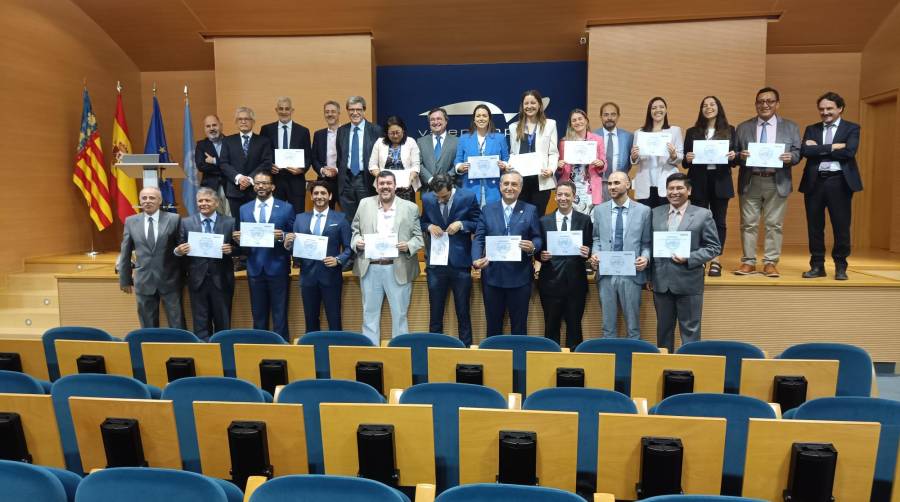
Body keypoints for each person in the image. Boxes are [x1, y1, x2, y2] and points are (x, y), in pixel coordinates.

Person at [734, 87, 802, 277]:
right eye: (761, 101)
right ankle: (748, 262)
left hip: (777, 180)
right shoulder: (743, 127)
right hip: (750, 180)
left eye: (769, 101)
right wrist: (741, 155)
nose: (765, 105)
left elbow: (798, 152)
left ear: (777, 104)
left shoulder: (790, 126)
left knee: (774, 224)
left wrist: (791, 157)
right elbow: (735, 154)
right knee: (748, 223)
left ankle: (770, 262)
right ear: (756, 104)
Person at [351, 171, 424, 345]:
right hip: (370, 267)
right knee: (369, 314)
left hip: (397, 267)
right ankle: (371, 357)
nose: (385, 186)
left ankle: (399, 355)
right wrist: (357, 242)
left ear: (395, 186)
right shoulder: (364, 204)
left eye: (389, 183)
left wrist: (409, 246)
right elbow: (355, 231)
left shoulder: (410, 207)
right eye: (381, 183)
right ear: (376, 186)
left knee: (400, 315)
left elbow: (419, 238)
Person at [650, 173, 721, 352]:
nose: (674, 192)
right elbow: (648, 244)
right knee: (663, 331)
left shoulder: (703, 214)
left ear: (688, 190)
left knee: (690, 331)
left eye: (679, 188)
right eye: (671, 188)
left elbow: (713, 247)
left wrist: (689, 258)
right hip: (661, 282)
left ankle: (688, 369)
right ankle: (663, 369)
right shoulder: (655, 213)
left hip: (689, 281)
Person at [800, 91, 862, 281]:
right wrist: (833, 147)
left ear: (840, 108)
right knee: (815, 227)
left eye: (829, 108)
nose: (825, 112)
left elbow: (849, 152)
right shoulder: (812, 129)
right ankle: (817, 266)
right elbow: (805, 151)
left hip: (840, 182)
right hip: (815, 182)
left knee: (841, 226)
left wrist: (818, 149)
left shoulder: (851, 128)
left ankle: (841, 266)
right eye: (821, 109)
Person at [472, 171, 542, 337]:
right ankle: (494, 362)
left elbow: (538, 237)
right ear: (500, 186)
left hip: (520, 278)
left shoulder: (530, 210)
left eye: (514, 184)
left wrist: (533, 247)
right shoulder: (487, 210)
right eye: (506, 184)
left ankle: (518, 362)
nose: (509, 187)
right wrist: (475, 259)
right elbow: (479, 238)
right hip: (492, 277)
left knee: (519, 328)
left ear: (521, 188)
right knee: (493, 327)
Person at [234, 171, 295, 341]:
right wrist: (239, 239)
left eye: (265, 183)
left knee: (280, 314)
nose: (261, 186)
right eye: (258, 183)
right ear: (254, 187)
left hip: (278, 267)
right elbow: (245, 238)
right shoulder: (244, 209)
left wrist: (282, 236)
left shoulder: (286, 207)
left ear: (273, 186)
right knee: (258, 314)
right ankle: (259, 347)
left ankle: (282, 349)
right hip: (254, 268)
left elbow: (293, 235)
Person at [420, 174, 480, 345]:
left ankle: (466, 349)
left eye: (445, 197)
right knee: (435, 313)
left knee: (463, 311)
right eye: (438, 197)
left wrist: (462, 225)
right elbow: (422, 222)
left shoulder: (468, 197)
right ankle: (434, 350)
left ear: (452, 187)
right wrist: (429, 226)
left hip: (460, 264)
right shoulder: (427, 198)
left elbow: (478, 222)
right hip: (436, 266)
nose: (441, 200)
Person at [590, 172, 651, 339]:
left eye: (616, 183)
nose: (612, 187)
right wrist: (595, 254)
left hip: (631, 274)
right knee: (607, 327)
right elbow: (596, 238)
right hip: (606, 274)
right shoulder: (599, 210)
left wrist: (645, 258)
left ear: (628, 185)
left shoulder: (644, 211)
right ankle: (608, 362)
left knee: (633, 327)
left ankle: (631, 362)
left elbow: (647, 243)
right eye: (609, 183)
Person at [285, 181, 351, 332]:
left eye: (323, 193)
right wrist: (288, 245)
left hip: (331, 276)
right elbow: (296, 250)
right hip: (307, 277)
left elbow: (349, 248)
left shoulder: (340, 218)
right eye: (316, 193)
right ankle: (312, 352)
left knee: (334, 319)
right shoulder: (300, 218)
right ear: (311, 196)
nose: (319, 196)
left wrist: (338, 259)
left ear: (330, 196)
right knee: (310, 319)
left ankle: (336, 351)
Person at [682, 96, 738, 277]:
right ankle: (699, 258)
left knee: (719, 221)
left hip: (721, 180)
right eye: (705, 105)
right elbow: (685, 161)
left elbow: (735, 157)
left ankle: (715, 259)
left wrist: (732, 155)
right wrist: (687, 158)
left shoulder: (729, 130)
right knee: (697, 221)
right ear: (701, 109)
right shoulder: (692, 132)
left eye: (712, 104)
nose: (708, 108)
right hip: (698, 180)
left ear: (718, 107)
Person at [173, 188, 236, 341]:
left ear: (216, 203)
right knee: (200, 323)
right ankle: (204, 356)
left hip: (222, 280)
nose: (203, 204)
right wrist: (178, 251)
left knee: (223, 323)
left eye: (207, 200)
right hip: (197, 280)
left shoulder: (229, 222)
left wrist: (232, 249)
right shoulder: (186, 223)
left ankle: (223, 354)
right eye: (200, 201)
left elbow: (241, 248)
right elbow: (178, 248)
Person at [117, 186, 185, 329]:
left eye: (152, 198)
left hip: (170, 280)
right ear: (140, 201)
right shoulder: (130, 221)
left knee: (177, 323)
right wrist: (125, 279)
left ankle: (180, 349)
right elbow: (125, 252)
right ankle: (149, 351)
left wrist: (185, 277)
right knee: (147, 326)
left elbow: (182, 249)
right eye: (144, 198)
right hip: (143, 280)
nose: (148, 201)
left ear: (160, 200)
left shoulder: (174, 219)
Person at [537, 181, 592, 349]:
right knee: (551, 327)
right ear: (555, 196)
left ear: (574, 197)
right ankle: (550, 365)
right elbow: (538, 248)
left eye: (567, 195)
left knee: (575, 328)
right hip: (550, 283)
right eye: (559, 194)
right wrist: (541, 256)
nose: (563, 198)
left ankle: (574, 369)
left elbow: (591, 246)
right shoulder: (543, 221)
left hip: (576, 283)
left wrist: (587, 252)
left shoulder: (585, 220)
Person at [508, 89, 559, 216]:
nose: (529, 106)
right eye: (526, 103)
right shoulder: (514, 127)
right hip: (520, 181)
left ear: (539, 105)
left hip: (541, 179)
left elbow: (553, 153)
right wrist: (509, 165)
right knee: (520, 218)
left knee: (538, 217)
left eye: (533, 103)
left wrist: (551, 169)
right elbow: (513, 153)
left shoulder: (550, 124)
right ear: (522, 106)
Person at [219, 106, 274, 218]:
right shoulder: (227, 141)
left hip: (257, 190)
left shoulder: (263, 141)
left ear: (253, 122)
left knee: (255, 223)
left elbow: (266, 163)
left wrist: (249, 179)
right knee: (238, 226)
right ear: (236, 122)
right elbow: (223, 163)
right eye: (240, 119)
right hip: (235, 191)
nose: (243, 121)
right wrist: (239, 178)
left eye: (247, 119)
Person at [260, 96, 312, 214]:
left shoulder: (303, 131)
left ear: (292, 111)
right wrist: (269, 166)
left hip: (296, 180)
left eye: (287, 109)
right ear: (276, 110)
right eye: (281, 109)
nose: (284, 112)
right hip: (274, 180)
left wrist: (301, 169)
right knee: (275, 214)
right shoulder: (266, 129)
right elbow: (262, 153)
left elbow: (308, 156)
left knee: (297, 214)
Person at [630, 97, 684, 208]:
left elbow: (680, 156)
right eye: (654, 108)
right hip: (645, 182)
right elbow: (635, 160)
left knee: (665, 219)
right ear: (650, 111)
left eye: (661, 107)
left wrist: (674, 155)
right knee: (646, 218)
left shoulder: (674, 131)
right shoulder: (639, 132)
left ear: (666, 110)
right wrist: (634, 157)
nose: (657, 110)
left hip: (667, 181)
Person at [454, 104, 510, 208]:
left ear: (489, 119)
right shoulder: (464, 138)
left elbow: (506, 158)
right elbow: (458, 159)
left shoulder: (500, 138)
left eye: (484, 116)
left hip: (494, 188)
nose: (481, 118)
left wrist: (504, 165)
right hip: (470, 187)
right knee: (472, 220)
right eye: (478, 116)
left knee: (492, 220)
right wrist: (460, 167)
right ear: (474, 119)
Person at [336, 96, 383, 221]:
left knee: (367, 218)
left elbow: (380, 156)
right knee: (348, 219)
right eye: (351, 109)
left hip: (366, 179)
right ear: (347, 110)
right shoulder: (341, 131)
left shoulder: (375, 130)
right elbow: (340, 156)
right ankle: (350, 241)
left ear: (364, 110)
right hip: (346, 180)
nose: (355, 113)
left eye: (358, 109)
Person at [556, 108, 607, 215]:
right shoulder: (564, 142)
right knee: (571, 218)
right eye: (574, 120)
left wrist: (601, 163)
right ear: (571, 124)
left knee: (590, 220)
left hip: (590, 186)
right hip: (570, 186)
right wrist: (559, 166)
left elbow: (604, 163)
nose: (578, 122)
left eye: (580, 119)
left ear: (586, 120)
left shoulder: (597, 139)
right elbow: (560, 169)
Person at [368, 115, 421, 203]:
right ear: (386, 133)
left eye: (398, 132)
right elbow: (372, 165)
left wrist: (411, 178)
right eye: (392, 133)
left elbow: (416, 165)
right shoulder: (379, 142)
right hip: (384, 187)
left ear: (403, 130)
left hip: (406, 187)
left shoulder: (410, 142)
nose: (395, 136)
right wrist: (382, 178)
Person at [594, 102, 635, 201]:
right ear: (601, 117)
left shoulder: (628, 136)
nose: (609, 118)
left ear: (618, 116)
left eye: (613, 114)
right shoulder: (593, 136)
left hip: (620, 184)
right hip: (599, 184)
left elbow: (631, 161)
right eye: (606, 115)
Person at [195, 115, 229, 215]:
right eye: (208, 126)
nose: (212, 128)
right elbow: (201, 166)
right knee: (212, 217)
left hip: (229, 186)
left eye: (214, 125)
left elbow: (235, 164)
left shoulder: (231, 142)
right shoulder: (201, 145)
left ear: (221, 126)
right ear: (204, 128)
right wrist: (225, 166)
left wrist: (214, 161)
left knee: (229, 218)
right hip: (210, 187)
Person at [417, 107, 459, 190]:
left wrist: (445, 180)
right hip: (428, 190)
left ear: (446, 121)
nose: (435, 122)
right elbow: (418, 164)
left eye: (439, 119)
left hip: (450, 188)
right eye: (432, 119)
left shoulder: (457, 141)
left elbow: (458, 163)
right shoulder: (421, 142)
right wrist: (430, 180)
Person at [311, 100, 341, 208]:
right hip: (324, 180)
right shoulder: (318, 134)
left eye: (333, 111)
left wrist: (336, 170)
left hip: (343, 180)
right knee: (324, 212)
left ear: (338, 113)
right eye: (327, 112)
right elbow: (313, 158)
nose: (330, 114)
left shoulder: (346, 132)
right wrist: (322, 170)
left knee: (347, 214)